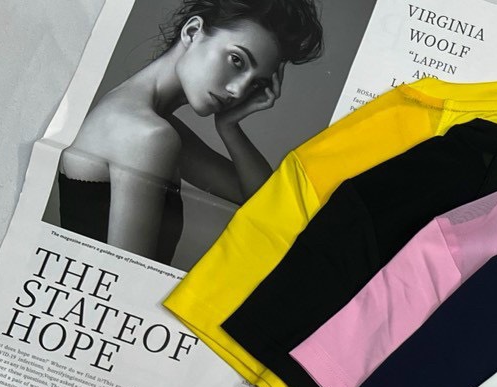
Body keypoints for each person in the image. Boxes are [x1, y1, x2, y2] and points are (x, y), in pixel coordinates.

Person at [58, 0, 324, 265]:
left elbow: (268, 203)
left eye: (255, 83)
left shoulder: (139, 116)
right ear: (193, 32)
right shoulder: (148, 135)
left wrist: (229, 127)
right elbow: (126, 276)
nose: (238, 91)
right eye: (237, 60)